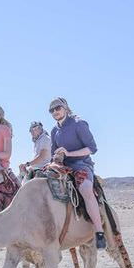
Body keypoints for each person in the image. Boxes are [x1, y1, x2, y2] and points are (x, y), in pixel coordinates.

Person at [48, 97, 106, 249]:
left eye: (58, 108)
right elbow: (53, 153)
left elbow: (91, 148)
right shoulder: (54, 130)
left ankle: (99, 232)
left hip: (81, 164)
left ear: (65, 108)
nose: (55, 111)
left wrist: (68, 153)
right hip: (62, 166)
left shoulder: (78, 124)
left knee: (86, 188)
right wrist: (55, 160)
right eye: (52, 110)